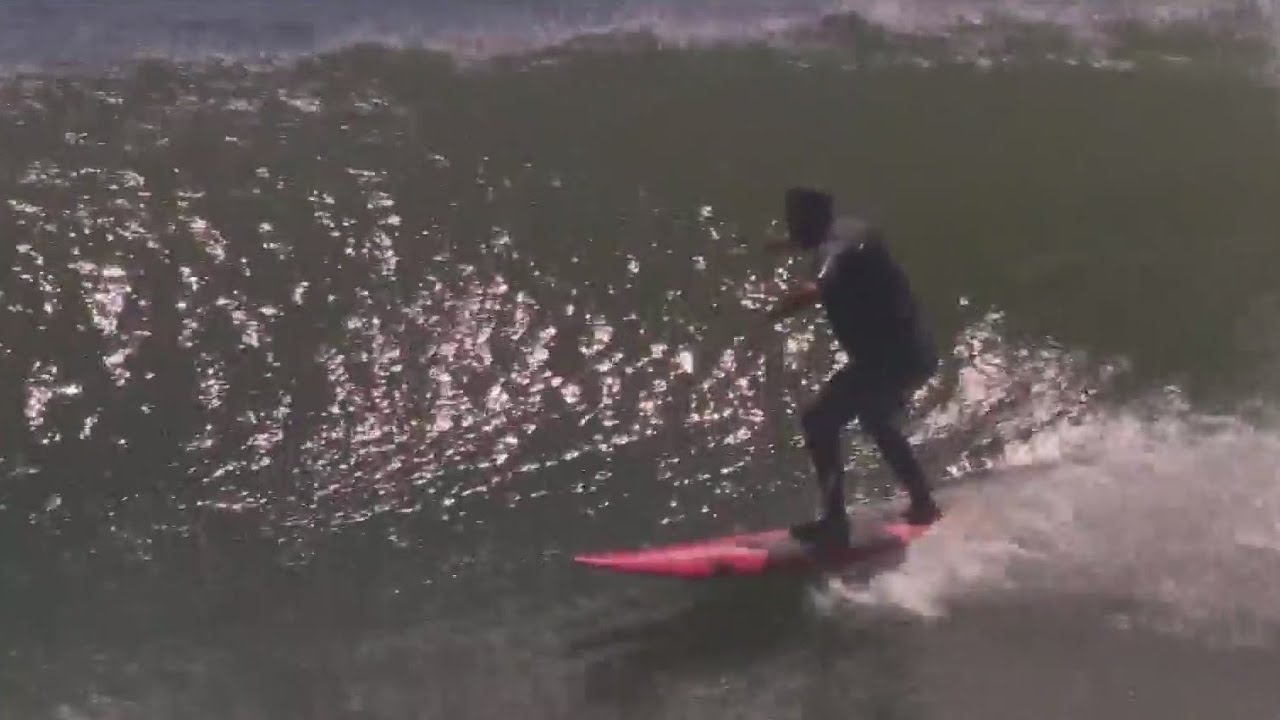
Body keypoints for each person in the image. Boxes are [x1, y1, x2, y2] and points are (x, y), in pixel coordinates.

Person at [766, 187, 943, 546]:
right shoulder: (848, 230)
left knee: (818, 420)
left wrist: (779, 309)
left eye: (794, 220)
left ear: (812, 220)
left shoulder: (834, 252)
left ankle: (835, 525)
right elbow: (827, 246)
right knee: (875, 418)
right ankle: (923, 503)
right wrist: (787, 244)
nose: (790, 226)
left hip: (890, 359)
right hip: (908, 350)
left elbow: (823, 278)